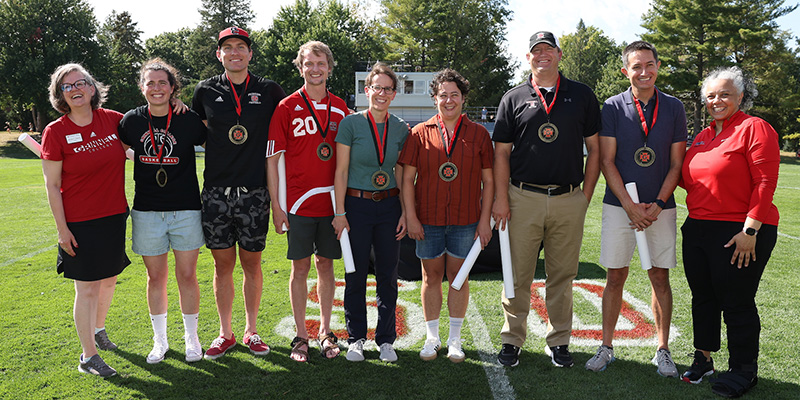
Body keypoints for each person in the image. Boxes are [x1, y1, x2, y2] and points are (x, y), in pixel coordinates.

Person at [492, 31, 601, 368]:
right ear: (528, 58)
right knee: (517, 273)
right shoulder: (513, 97)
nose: (542, 56)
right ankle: (512, 339)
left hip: (569, 197)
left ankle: (559, 340)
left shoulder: (582, 95)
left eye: (548, 50)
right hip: (523, 196)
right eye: (536, 51)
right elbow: (501, 154)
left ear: (559, 54)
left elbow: (595, 149)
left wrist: (585, 195)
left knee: (562, 274)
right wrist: (500, 199)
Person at [585, 41, 687, 376]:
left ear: (658, 65)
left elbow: (676, 164)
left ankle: (663, 349)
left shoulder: (673, 107)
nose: (644, 72)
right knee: (615, 276)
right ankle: (607, 346)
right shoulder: (613, 107)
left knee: (660, 276)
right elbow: (607, 161)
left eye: (649, 65)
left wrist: (656, 204)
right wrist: (630, 207)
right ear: (625, 71)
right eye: (636, 66)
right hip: (619, 206)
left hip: (661, 207)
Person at [679, 66, 779, 398]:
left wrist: (750, 230)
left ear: (740, 96)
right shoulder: (705, 135)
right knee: (703, 297)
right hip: (698, 227)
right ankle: (703, 358)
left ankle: (744, 370)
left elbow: (765, 183)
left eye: (724, 94)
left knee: (736, 301)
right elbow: (689, 178)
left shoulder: (755, 128)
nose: (716, 100)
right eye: (710, 95)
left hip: (741, 230)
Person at [191, 27, 286, 360]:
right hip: (216, 192)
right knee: (221, 267)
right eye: (227, 48)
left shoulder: (269, 90)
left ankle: (251, 330)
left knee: (252, 265)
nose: (234, 52)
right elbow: (197, 133)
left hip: (255, 192)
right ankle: (225, 332)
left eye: (240, 47)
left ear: (249, 53)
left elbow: (284, 135)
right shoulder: (204, 90)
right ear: (219, 54)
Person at [41, 63, 130, 377]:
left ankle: (98, 330)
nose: (75, 89)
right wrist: (62, 230)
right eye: (67, 86)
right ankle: (88, 357)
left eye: (81, 83)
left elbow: (150, 126)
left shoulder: (114, 120)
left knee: (108, 279)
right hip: (79, 222)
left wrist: (174, 103)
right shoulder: (55, 131)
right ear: (61, 95)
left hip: (114, 215)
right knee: (87, 288)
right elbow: (52, 185)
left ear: (93, 88)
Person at [399, 68, 493, 363]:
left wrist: (484, 220)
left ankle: (454, 339)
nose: (449, 100)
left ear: (464, 98)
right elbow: (406, 180)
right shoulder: (419, 133)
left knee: (458, 278)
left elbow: (489, 181)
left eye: (455, 95)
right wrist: (411, 216)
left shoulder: (478, 134)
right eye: (443, 95)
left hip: (466, 220)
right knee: (431, 276)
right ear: (435, 99)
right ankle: (432, 337)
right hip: (428, 219)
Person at [119, 59, 206, 364]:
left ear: (173, 88)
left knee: (187, 275)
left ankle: (192, 338)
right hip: (147, 211)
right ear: (142, 87)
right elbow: (116, 146)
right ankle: (160, 341)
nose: (156, 88)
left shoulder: (188, 119)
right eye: (150, 83)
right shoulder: (130, 121)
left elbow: (213, 137)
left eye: (162, 83)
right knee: (155, 278)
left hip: (185, 209)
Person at [267, 41, 349, 362]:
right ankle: (301, 335)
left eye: (320, 63)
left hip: (332, 205)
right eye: (308, 63)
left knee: (326, 266)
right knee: (299, 268)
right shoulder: (286, 108)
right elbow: (272, 160)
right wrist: (277, 205)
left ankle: (325, 331)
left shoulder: (342, 108)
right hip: (298, 205)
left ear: (329, 67)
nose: (315, 69)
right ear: (300, 68)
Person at [332, 62, 409, 363]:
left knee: (388, 275)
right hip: (357, 205)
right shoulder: (350, 124)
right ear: (366, 91)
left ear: (393, 94)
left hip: (389, 205)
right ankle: (355, 338)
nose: (382, 93)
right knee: (355, 274)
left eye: (388, 89)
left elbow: (403, 174)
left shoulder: (401, 128)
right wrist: (340, 213)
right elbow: (340, 171)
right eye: (376, 87)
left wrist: (404, 211)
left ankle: (386, 340)